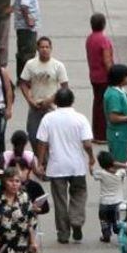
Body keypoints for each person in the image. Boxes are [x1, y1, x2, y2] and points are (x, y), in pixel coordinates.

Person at [34, 86, 94, 243]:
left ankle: (63, 233)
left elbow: (42, 143)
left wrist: (40, 163)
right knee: (79, 194)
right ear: (72, 101)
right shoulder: (80, 119)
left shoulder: (48, 119)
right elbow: (87, 144)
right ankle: (76, 220)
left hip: (56, 166)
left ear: (56, 101)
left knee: (60, 200)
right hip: (77, 166)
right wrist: (91, 158)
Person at [19, 36, 69, 138]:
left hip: (52, 108)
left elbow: (65, 86)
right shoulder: (30, 64)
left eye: (47, 47)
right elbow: (23, 82)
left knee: (51, 137)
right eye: (42, 47)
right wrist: (29, 99)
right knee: (33, 135)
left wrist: (51, 99)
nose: (45, 49)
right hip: (35, 107)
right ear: (37, 49)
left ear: (51, 48)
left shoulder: (58, 66)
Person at [103, 64, 127, 167]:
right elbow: (113, 118)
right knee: (118, 163)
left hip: (123, 133)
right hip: (118, 135)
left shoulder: (120, 91)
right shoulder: (113, 95)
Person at [86, 13, 115, 143]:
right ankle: (102, 135)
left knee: (97, 104)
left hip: (94, 75)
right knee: (104, 106)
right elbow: (107, 61)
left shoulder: (90, 39)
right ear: (103, 24)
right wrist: (114, 75)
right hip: (104, 77)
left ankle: (96, 132)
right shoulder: (104, 40)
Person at [13, 0, 41, 72]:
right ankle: (25, 78)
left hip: (20, 25)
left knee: (22, 51)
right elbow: (24, 5)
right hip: (27, 27)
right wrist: (28, 19)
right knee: (29, 52)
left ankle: (21, 76)